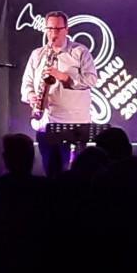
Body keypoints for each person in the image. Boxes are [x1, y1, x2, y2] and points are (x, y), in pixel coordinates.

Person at [20, 10, 98, 176]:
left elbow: (91, 80)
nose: (53, 33)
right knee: (51, 173)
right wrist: (31, 96)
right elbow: (26, 84)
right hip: (45, 124)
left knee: (74, 175)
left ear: (66, 29)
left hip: (73, 124)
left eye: (57, 29)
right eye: (49, 29)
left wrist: (64, 77)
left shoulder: (80, 51)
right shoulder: (37, 54)